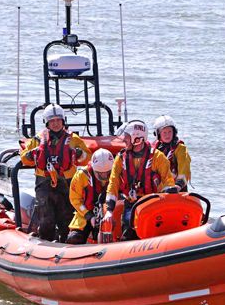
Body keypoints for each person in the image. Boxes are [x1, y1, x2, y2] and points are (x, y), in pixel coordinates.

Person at [20, 104, 91, 242]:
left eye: (58, 120)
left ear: (63, 121)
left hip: (67, 183)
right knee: (46, 219)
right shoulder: (38, 139)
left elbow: (87, 157)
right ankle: (46, 243)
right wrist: (31, 155)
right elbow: (24, 157)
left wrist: (78, 153)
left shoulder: (73, 139)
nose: (56, 123)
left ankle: (67, 242)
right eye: (52, 121)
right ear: (47, 122)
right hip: (44, 183)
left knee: (67, 218)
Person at [101, 120, 175, 241]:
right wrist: (109, 210)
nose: (124, 140)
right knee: (127, 235)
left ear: (137, 139)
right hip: (131, 204)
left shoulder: (158, 157)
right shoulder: (120, 158)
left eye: (127, 137)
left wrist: (169, 192)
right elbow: (113, 183)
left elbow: (168, 180)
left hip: (152, 204)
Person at [66, 148, 114, 244]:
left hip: (108, 214)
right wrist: (89, 216)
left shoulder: (116, 175)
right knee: (74, 238)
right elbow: (75, 199)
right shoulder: (81, 175)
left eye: (107, 173)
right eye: (100, 173)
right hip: (85, 214)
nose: (104, 176)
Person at [152, 115, 191, 192]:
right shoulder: (153, 149)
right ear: (158, 134)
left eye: (170, 131)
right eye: (164, 132)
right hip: (158, 189)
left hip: (176, 190)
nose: (167, 135)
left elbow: (184, 168)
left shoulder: (180, 148)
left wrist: (178, 185)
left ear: (174, 132)